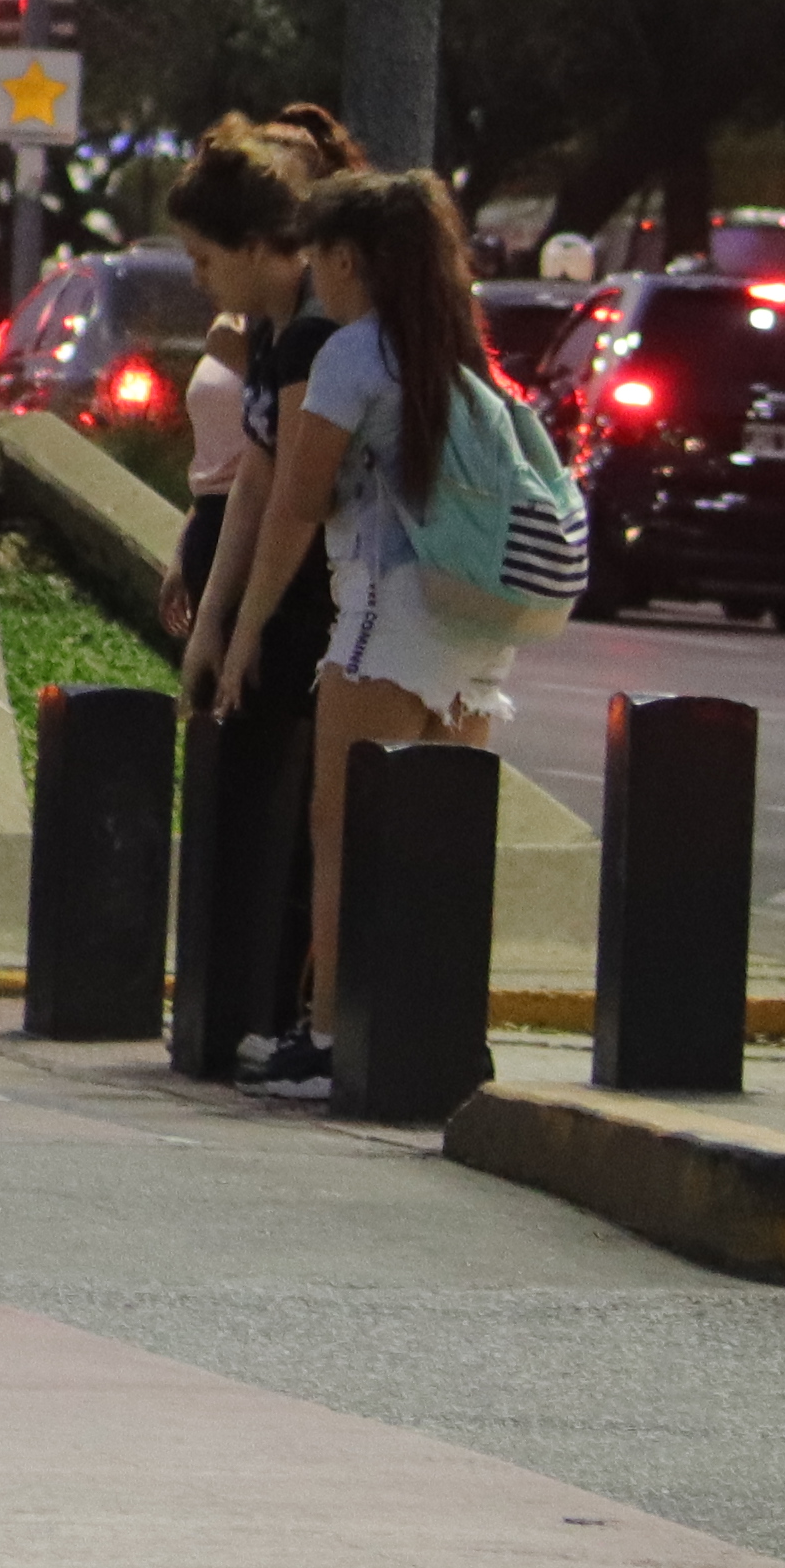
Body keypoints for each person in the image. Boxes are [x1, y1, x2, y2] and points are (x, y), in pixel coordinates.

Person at [218, 163, 522, 1088]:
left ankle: (326, 1033)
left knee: (343, 828)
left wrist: (242, 636)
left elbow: (295, 508)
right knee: (439, 839)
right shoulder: (461, 357)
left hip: (388, 617)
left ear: (348, 260)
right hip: (479, 626)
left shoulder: (353, 356)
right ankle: (439, 1029)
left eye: (320, 259)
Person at [163, 111, 352, 1086]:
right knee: (268, 791)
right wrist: (214, 614)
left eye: (203, 260)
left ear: (252, 246)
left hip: (330, 604)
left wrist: (246, 628)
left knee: (307, 807)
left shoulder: (318, 333)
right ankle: (258, 1009)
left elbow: (295, 504)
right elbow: (249, 476)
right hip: (284, 601)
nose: (201, 281)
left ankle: (298, 1015)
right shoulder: (279, 331)